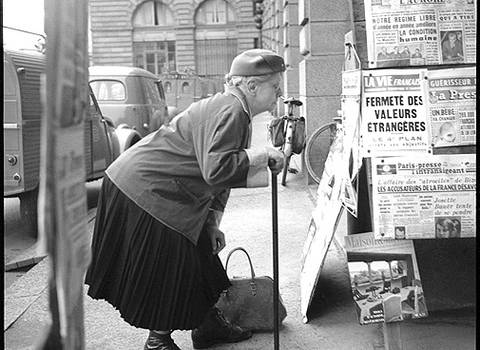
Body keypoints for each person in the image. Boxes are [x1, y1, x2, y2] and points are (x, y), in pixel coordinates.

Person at [85, 49, 286, 350]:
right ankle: (158, 342)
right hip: (146, 188)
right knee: (169, 264)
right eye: (275, 86)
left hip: (152, 184)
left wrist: (211, 224)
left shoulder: (234, 108)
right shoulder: (231, 110)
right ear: (252, 86)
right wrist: (260, 155)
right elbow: (217, 169)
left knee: (201, 251)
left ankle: (208, 326)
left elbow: (218, 179)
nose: (280, 93)